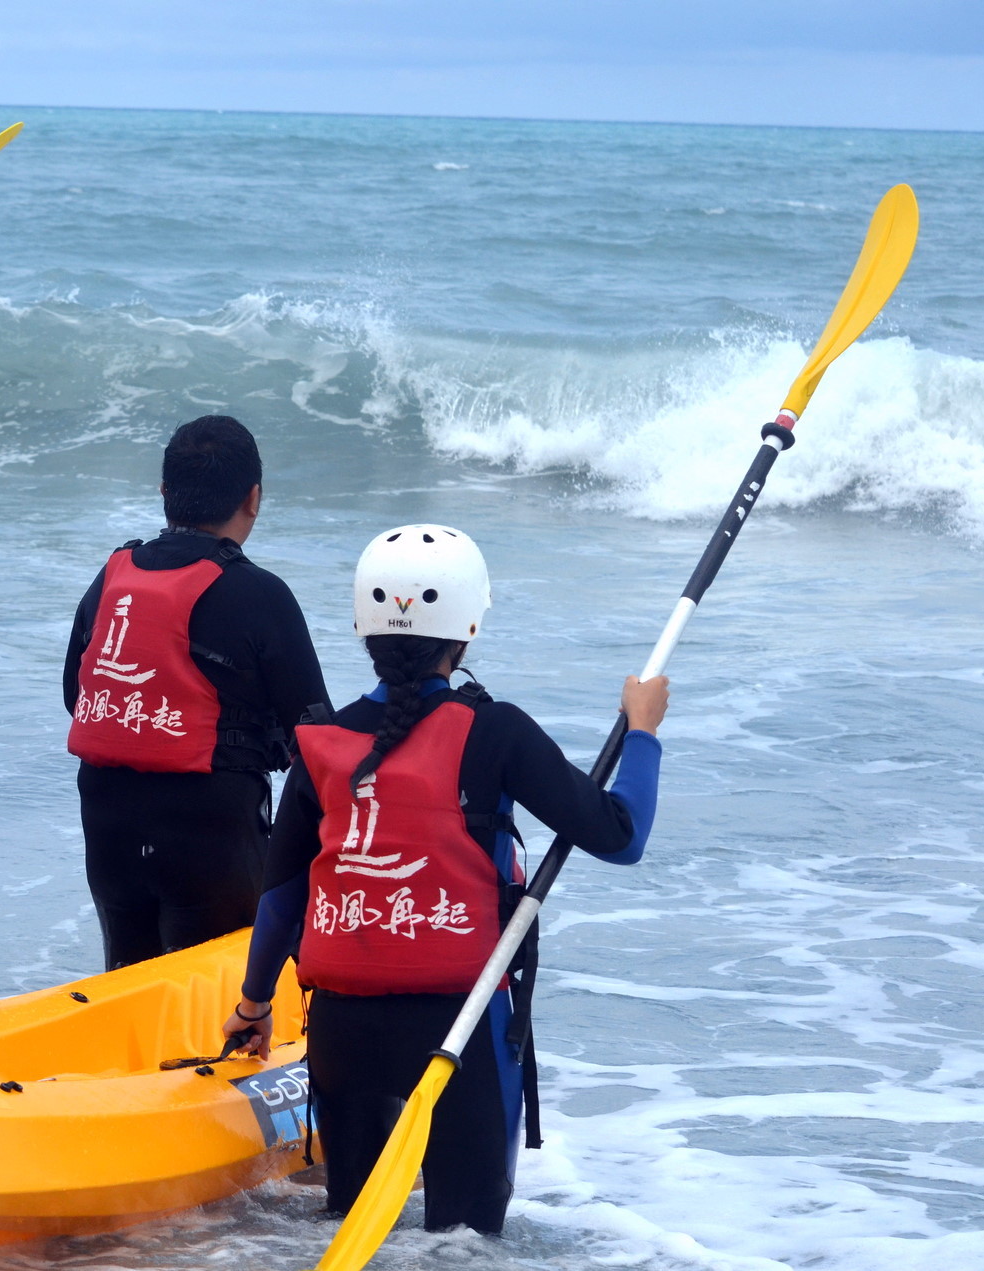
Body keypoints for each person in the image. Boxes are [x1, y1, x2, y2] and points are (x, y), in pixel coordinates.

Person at [222, 523, 668, 1235]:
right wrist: (642, 730)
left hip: (342, 1032)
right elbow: (621, 835)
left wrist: (252, 1005)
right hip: (458, 1030)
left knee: (356, 1229)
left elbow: (282, 898)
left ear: (364, 627)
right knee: (464, 1241)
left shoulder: (323, 742)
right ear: (464, 631)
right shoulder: (496, 732)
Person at [64, 415, 330, 970]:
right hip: (211, 831)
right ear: (253, 498)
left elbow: (76, 693)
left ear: (165, 493)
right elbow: (318, 740)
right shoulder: (260, 593)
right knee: (217, 1002)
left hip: (107, 821)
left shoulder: (113, 575)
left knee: (130, 995)